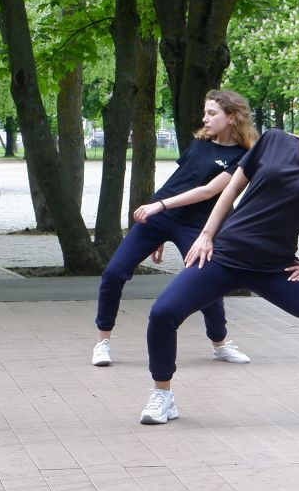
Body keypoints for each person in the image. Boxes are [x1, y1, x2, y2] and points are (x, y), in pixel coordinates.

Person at [139, 99, 299, 425]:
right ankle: (163, 396)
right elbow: (230, 189)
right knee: (163, 313)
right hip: (225, 256)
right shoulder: (273, 140)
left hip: (276, 267)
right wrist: (206, 236)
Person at [92, 90, 258, 367]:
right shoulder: (199, 144)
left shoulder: (243, 157)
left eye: (212, 113)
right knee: (113, 273)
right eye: (205, 112)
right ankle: (102, 343)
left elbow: (207, 191)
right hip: (160, 217)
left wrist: (160, 206)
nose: (205, 118)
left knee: (206, 283)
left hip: (194, 224)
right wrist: (159, 225)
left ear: (232, 118)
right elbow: (180, 180)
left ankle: (220, 343)